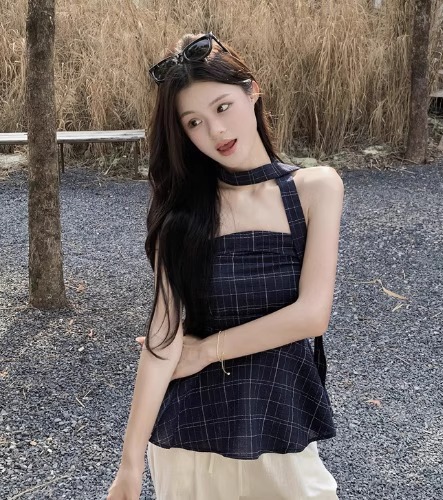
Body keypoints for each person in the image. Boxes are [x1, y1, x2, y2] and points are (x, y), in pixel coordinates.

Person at [107, 31, 344, 500]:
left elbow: (312, 315)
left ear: (252, 91)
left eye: (222, 107)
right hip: (188, 441)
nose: (215, 131)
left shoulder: (316, 189)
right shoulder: (181, 214)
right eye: (194, 122)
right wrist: (129, 469)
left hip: (278, 425)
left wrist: (203, 351)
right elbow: (163, 340)